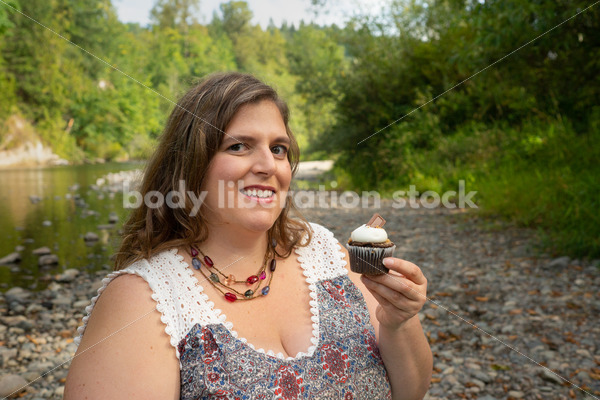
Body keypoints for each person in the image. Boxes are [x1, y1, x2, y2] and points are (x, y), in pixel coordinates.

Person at [65, 72, 432, 400]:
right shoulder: (146, 299)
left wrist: (398, 322)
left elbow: (409, 391)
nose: (267, 165)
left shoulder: (324, 251)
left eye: (278, 149)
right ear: (191, 165)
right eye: (238, 146)